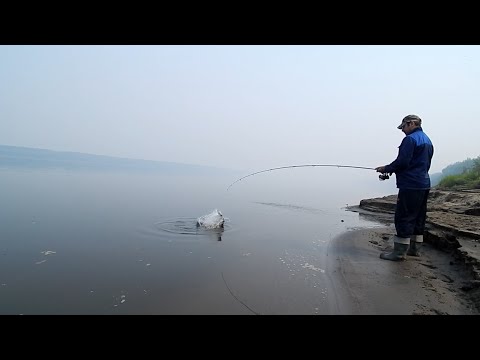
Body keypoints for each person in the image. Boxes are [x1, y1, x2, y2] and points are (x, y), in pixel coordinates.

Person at [375, 114, 434, 261]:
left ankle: (399, 253)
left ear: (411, 123)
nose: (402, 130)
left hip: (410, 185)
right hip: (423, 184)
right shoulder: (427, 140)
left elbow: (403, 162)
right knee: (418, 217)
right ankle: (415, 250)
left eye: (403, 127)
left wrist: (386, 168)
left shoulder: (410, 140)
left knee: (404, 217)